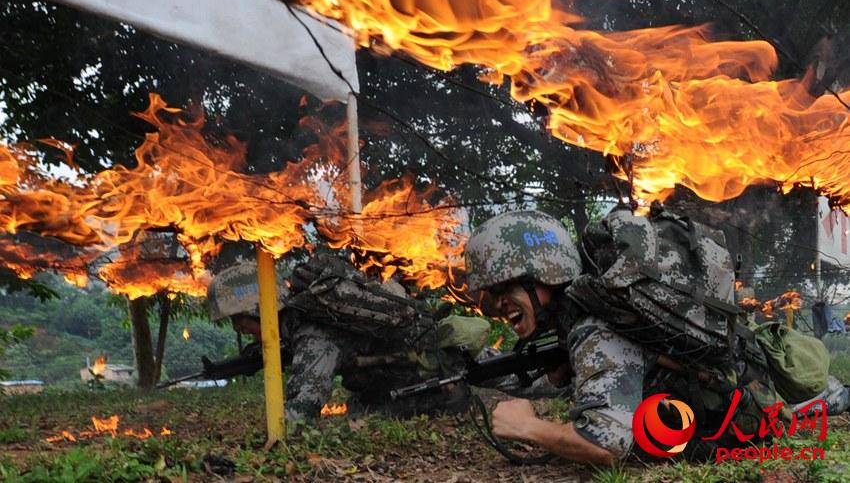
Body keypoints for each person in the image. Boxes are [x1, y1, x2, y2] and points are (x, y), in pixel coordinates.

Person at [465, 208, 849, 465]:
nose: (499, 305)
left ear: (543, 274)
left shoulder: (594, 326)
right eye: (492, 296)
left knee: (809, 405)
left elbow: (606, 444)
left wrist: (527, 427)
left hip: (741, 412)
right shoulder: (598, 308)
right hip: (739, 378)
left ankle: (825, 397)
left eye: (506, 289)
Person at [207, 253, 488, 422]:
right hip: (410, 374)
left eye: (239, 320)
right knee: (358, 406)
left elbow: (302, 408)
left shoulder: (312, 334)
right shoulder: (302, 324)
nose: (239, 329)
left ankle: (452, 402)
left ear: (258, 309)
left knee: (361, 413)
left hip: (431, 381)